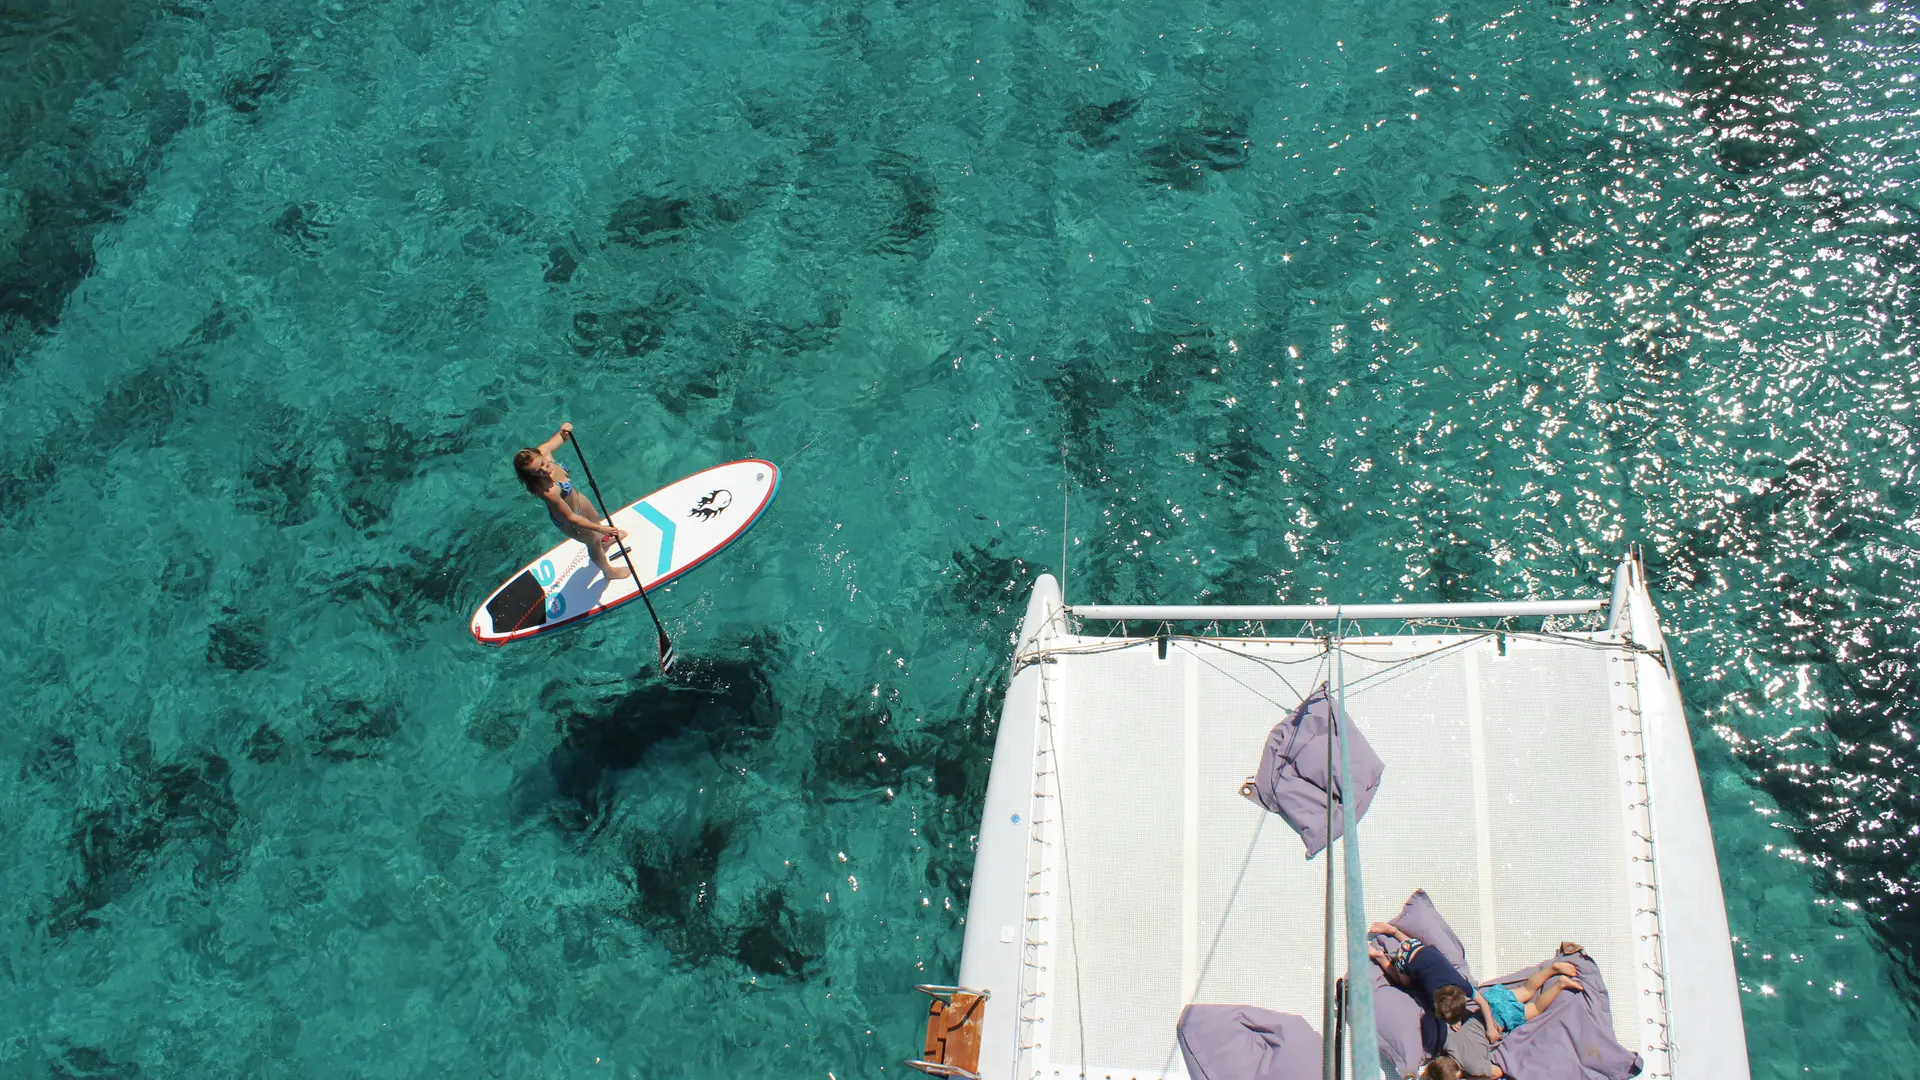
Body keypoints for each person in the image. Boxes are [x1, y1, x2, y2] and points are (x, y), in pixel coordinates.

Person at [513, 422, 630, 581]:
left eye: (542, 464)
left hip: (577, 498)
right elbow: (571, 518)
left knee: (595, 516)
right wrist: (601, 529)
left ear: (540, 455)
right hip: (570, 519)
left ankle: (604, 541)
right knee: (593, 541)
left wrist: (565, 430)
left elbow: (562, 437)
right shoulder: (548, 490)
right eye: (537, 472)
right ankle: (608, 571)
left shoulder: (544, 451)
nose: (544, 470)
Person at [1367, 921, 1500, 1055]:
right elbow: (1482, 1001)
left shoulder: (1461, 983)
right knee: (1404, 984)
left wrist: (1490, 1027)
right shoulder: (1432, 991)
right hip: (1404, 958)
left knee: (1413, 948)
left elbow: (1482, 1002)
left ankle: (1394, 931)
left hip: (1419, 947)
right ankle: (1379, 956)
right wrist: (1489, 1028)